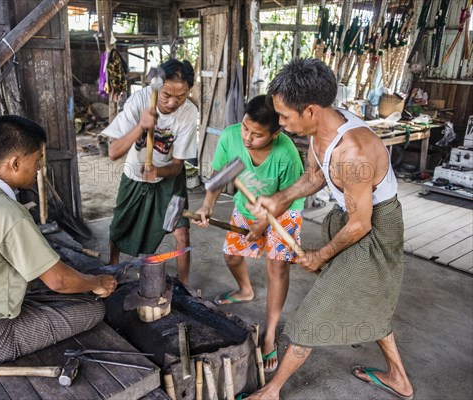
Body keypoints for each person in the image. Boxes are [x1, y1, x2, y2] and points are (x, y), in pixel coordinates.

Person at [247, 58, 413, 400]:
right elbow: (314, 176)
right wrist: (277, 200)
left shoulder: (352, 152)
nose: (280, 123)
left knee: (312, 316)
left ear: (310, 111)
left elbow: (360, 224)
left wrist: (318, 254)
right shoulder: (321, 129)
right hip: (349, 219)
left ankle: (272, 391)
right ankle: (399, 377)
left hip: (374, 232)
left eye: (285, 117)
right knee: (370, 299)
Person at [0, 115, 117, 365]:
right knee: (93, 310)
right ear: (15, 163)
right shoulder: (8, 212)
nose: (39, 168)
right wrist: (97, 282)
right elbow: (57, 281)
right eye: (37, 160)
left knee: (53, 288)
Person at [194, 94, 304, 373]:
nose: (247, 138)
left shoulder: (287, 152)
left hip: (283, 210)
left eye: (257, 134)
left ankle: (268, 336)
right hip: (247, 206)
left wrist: (264, 225)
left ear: (276, 132)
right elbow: (219, 176)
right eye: (245, 127)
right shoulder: (230, 137)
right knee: (231, 256)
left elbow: (289, 196)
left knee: (277, 267)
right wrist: (207, 206)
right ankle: (245, 290)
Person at [104, 58, 197, 285]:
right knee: (119, 229)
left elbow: (176, 166)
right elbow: (114, 152)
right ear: (158, 87)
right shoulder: (139, 100)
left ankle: (185, 286)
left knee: (182, 235)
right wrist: (141, 127)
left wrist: (157, 172)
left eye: (181, 96)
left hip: (168, 179)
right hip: (134, 176)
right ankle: (113, 270)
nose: (173, 102)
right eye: (166, 95)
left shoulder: (189, 113)